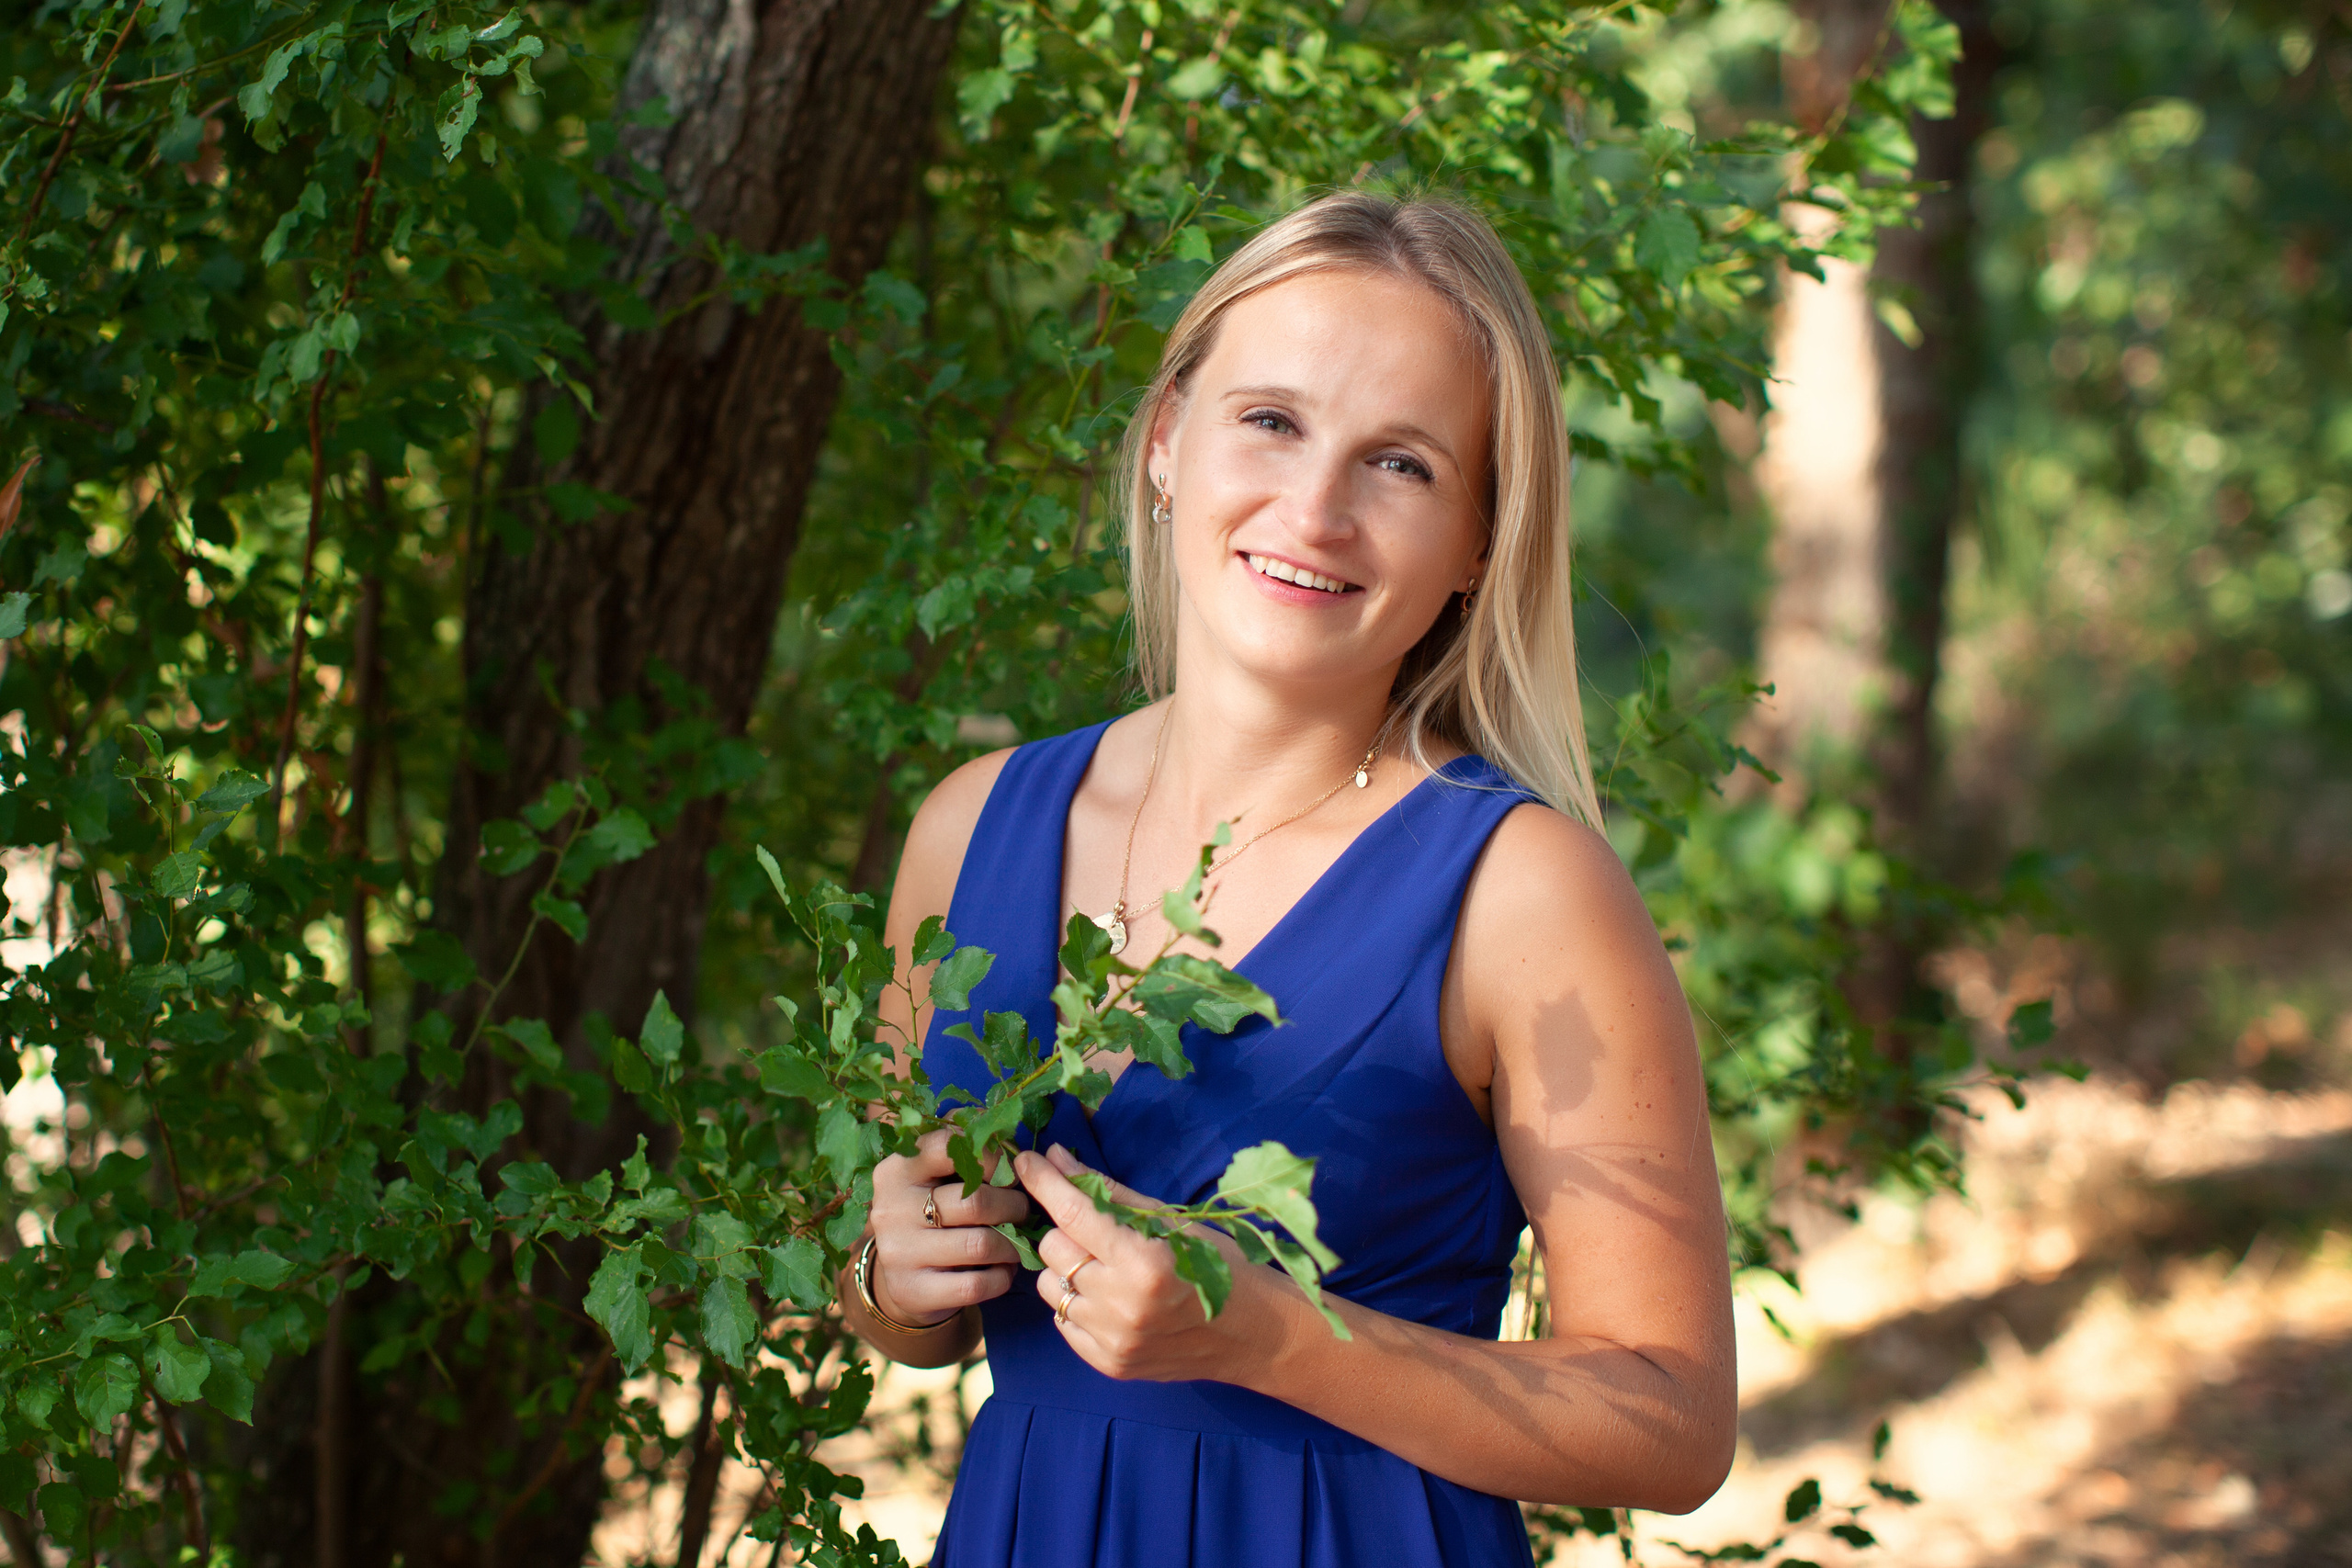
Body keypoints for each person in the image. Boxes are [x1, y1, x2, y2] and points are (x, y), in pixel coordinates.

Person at [843, 190, 1736, 1567]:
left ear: (1479, 546)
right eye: (1271, 421)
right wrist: (890, 1276)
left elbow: (1671, 1425)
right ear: (1163, 442)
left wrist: (1266, 1335)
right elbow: (903, 1308)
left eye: (1405, 466)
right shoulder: (969, 834)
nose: (1313, 509)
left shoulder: (1522, 892)